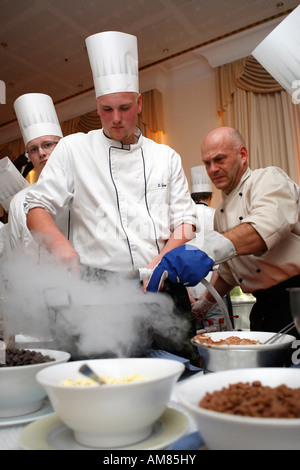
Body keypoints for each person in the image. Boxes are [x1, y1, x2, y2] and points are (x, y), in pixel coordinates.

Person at [24, 32, 198, 362]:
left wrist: (164, 258)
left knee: (176, 371)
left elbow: (187, 223)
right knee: (104, 378)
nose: (116, 118)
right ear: (97, 107)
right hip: (98, 292)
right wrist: (61, 246)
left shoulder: (166, 156)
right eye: (106, 109)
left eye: (124, 108)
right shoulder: (75, 149)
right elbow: (36, 207)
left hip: (160, 285)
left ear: (139, 103)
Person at [147, 126, 300, 337]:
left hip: (295, 297)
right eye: (207, 163)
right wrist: (204, 304)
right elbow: (229, 272)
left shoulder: (267, 179)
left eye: (220, 159)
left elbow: (265, 227)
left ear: (243, 155)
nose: (213, 169)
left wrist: (206, 249)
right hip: (265, 306)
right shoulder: (220, 213)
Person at [7, 93, 68, 256]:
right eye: (33, 149)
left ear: (62, 146)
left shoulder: (85, 186)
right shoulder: (19, 202)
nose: (41, 153)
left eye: (47, 144)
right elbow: (16, 254)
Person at [187, 165, 231, 331]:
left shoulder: (183, 220)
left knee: (195, 341)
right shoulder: (217, 215)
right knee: (219, 339)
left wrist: (189, 297)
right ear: (211, 196)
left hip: (189, 290)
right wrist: (207, 299)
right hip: (215, 290)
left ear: (192, 197)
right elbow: (225, 258)